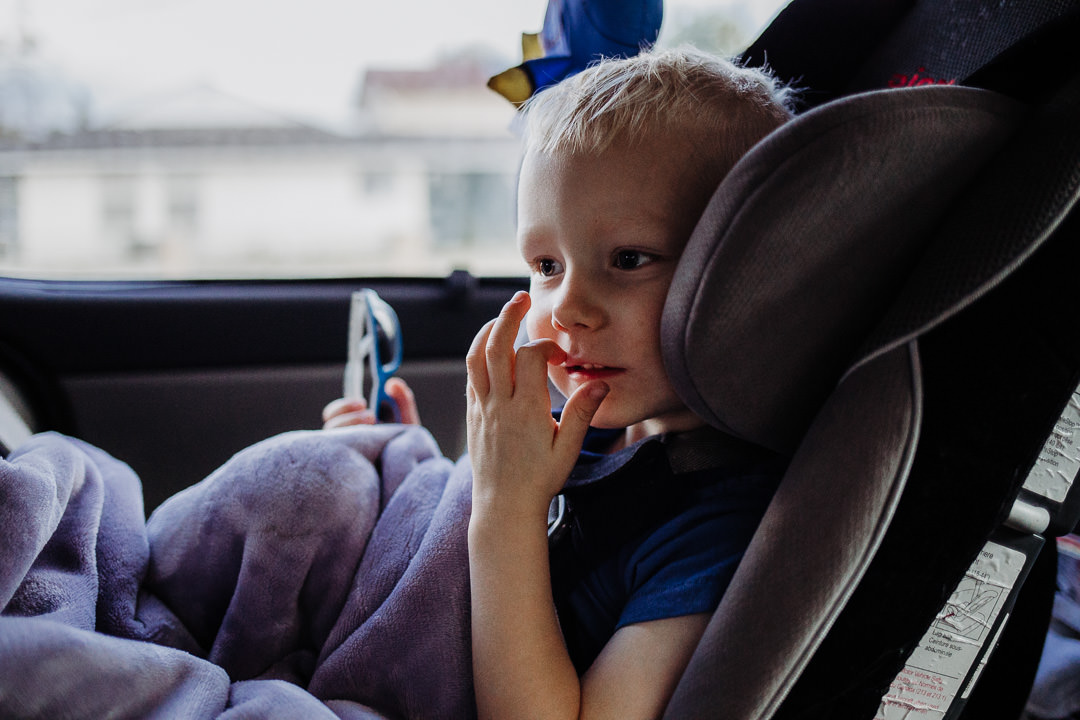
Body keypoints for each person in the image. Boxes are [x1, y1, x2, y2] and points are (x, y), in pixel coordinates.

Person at [324, 46, 794, 719]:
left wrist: (505, 501)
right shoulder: (596, 424)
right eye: (545, 264)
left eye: (628, 260)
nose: (568, 306)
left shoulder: (716, 538)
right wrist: (408, 480)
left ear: (739, 274)